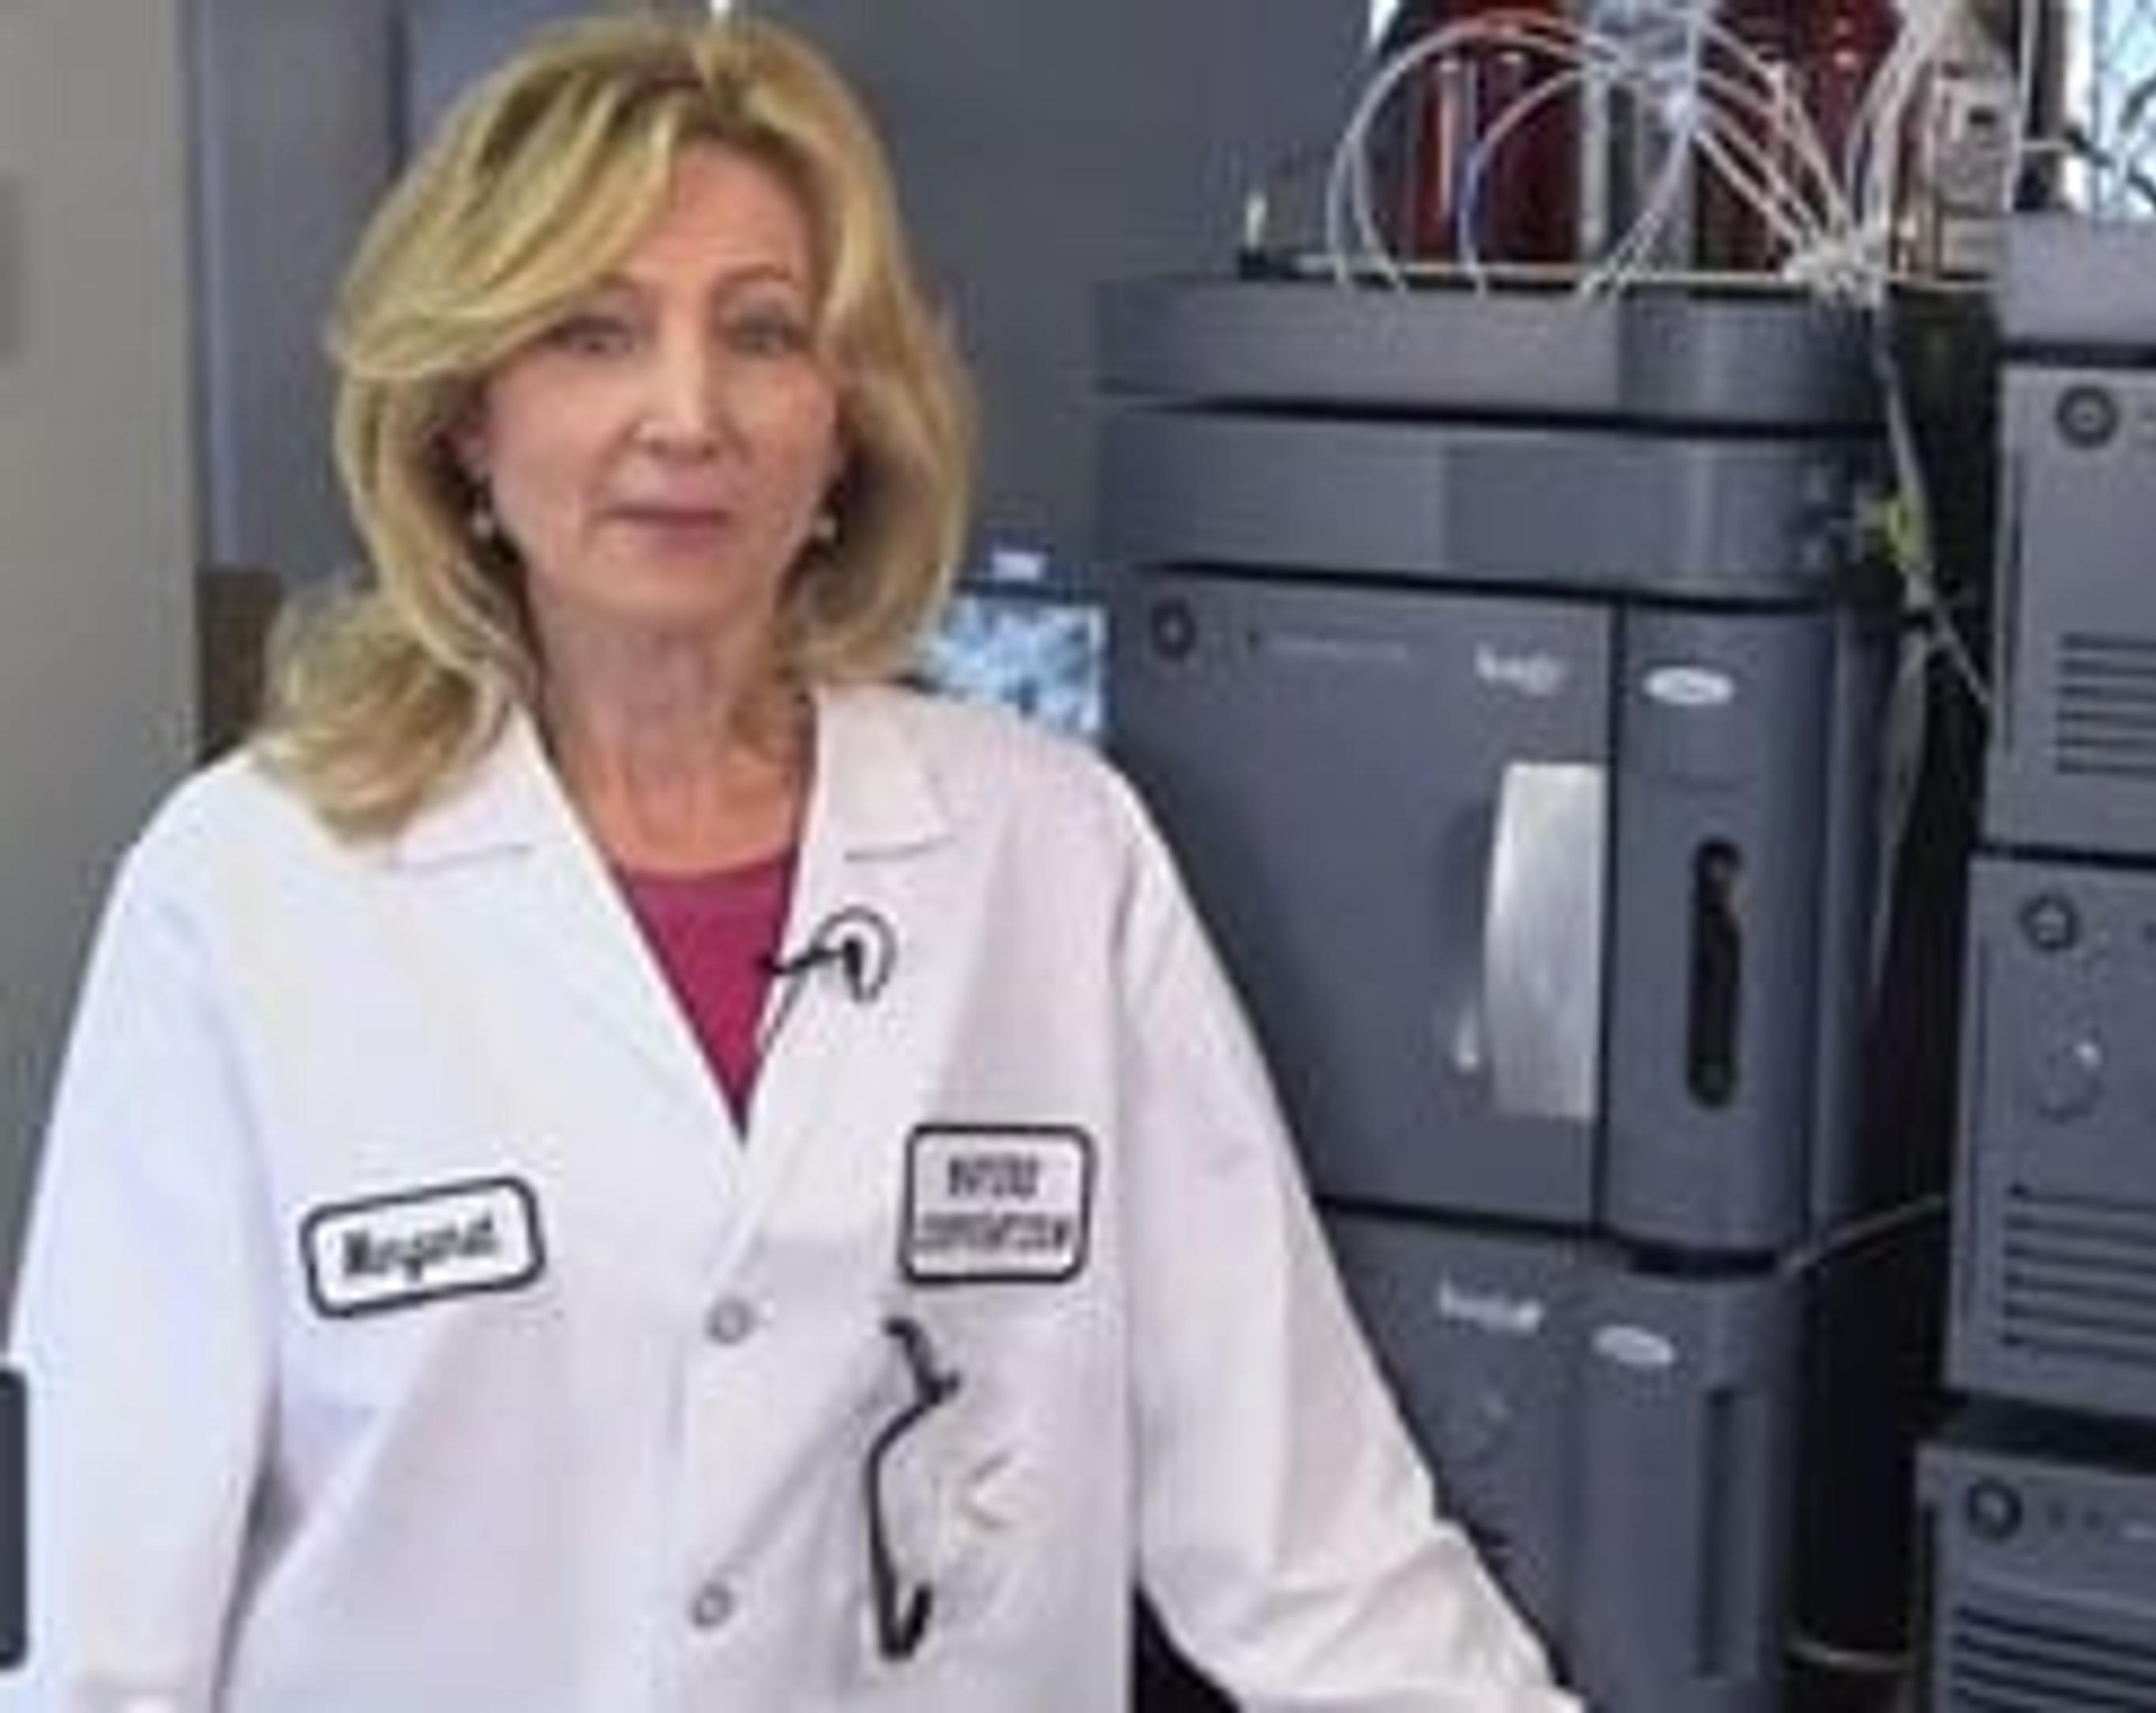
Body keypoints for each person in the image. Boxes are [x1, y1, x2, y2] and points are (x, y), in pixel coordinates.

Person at [5, 14, 1577, 1711]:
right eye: (593, 331)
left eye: (761, 333)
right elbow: (101, 1633)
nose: (686, 415)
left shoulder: (1050, 858)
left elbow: (1319, 1557)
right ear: (465, 416)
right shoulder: (253, 888)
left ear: (845, 420)